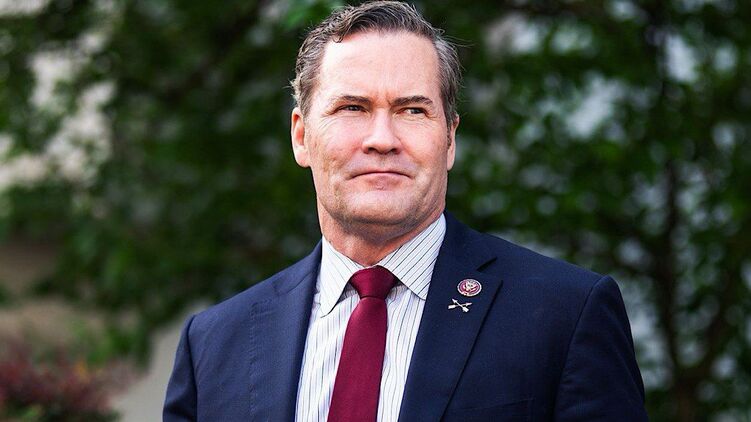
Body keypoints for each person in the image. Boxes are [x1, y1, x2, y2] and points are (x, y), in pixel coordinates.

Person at [163, 1, 648, 421]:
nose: (382, 139)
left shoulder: (566, 315)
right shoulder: (214, 345)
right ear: (301, 136)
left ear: (450, 139)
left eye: (412, 110)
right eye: (352, 108)